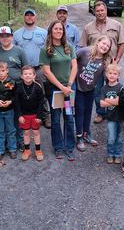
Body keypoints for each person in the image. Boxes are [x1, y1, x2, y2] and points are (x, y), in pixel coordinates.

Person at [80, 1, 124, 124]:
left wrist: (117, 60)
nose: (100, 12)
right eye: (98, 11)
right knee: (98, 90)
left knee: (115, 88)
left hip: (111, 65)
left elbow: (122, 43)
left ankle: (115, 111)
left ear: (106, 10)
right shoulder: (88, 27)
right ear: (94, 12)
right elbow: (82, 46)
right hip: (95, 66)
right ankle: (100, 113)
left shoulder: (116, 25)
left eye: (102, 10)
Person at [0, 26, 29, 150]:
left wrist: (26, 85)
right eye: (2, 36)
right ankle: (3, 142)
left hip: (17, 88)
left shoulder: (19, 51)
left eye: (7, 36)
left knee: (17, 115)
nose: (5, 38)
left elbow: (26, 69)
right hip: (0, 90)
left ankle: (19, 140)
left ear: (12, 37)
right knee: (2, 114)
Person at [39, 20, 77, 160]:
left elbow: (75, 66)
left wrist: (69, 85)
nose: (59, 31)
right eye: (56, 29)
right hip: (55, 90)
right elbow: (47, 72)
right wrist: (62, 88)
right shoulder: (46, 50)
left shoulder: (69, 47)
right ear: (51, 31)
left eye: (61, 29)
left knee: (69, 117)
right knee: (55, 119)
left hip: (68, 89)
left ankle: (69, 147)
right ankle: (59, 147)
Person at [14, 8, 50, 128]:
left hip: (39, 68)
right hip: (23, 70)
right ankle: (24, 116)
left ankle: (45, 115)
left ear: (35, 17)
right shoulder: (17, 34)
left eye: (32, 15)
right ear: (24, 17)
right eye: (27, 15)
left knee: (42, 93)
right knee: (23, 93)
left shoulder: (44, 33)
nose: (29, 17)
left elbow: (49, 50)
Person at [75, 35, 112, 152]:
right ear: (98, 42)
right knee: (79, 112)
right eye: (103, 43)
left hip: (90, 89)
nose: (105, 46)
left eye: (107, 46)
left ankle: (86, 134)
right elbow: (71, 59)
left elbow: (107, 77)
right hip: (78, 88)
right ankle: (79, 137)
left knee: (88, 112)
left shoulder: (105, 61)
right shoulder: (84, 52)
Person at [14, 65, 46, 161]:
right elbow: (17, 102)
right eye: (25, 74)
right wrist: (19, 115)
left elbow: (41, 102)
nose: (27, 76)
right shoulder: (19, 87)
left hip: (35, 115)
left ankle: (38, 150)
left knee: (36, 132)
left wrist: (40, 115)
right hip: (24, 115)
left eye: (30, 74)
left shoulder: (38, 87)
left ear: (34, 75)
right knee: (26, 132)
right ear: (22, 76)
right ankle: (27, 150)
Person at [100, 64, 123, 164]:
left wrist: (107, 100)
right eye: (110, 73)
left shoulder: (121, 88)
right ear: (106, 74)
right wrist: (114, 101)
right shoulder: (104, 88)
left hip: (121, 117)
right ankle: (110, 154)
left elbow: (120, 102)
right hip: (110, 117)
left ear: (118, 75)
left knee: (119, 138)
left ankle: (117, 155)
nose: (112, 75)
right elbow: (101, 104)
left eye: (115, 74)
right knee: (111, 138)